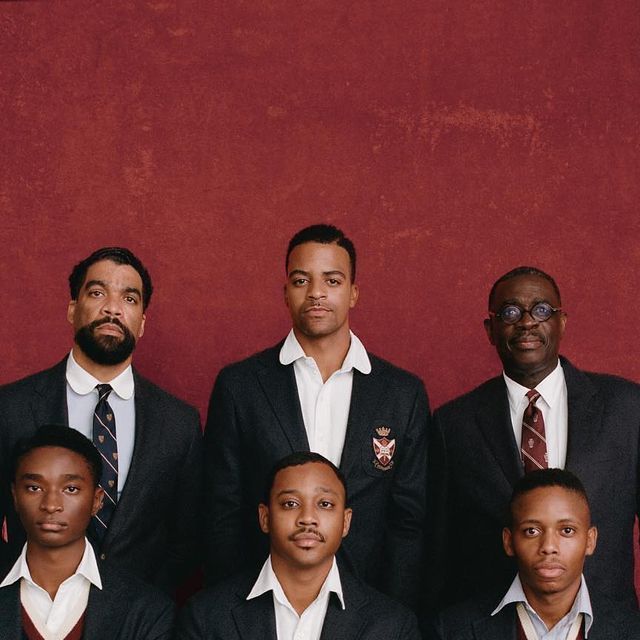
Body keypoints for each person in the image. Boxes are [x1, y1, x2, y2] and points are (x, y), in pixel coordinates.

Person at [204, 224, 430, 605]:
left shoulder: (402, 392)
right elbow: (221, 509)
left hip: (369, 605)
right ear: (286, 293)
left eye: (332, 280)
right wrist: (234, 609)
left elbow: (410, 520)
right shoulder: (240, 385)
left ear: (354, 292)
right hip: (262, 599)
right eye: (301, 280)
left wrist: (394, 614)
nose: (316, 293)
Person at [430, 266, 640, 609]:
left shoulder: (627, 408)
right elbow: (438, 546)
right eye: (510, 312)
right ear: (491, 330)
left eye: (542, 310)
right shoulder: (454, 423)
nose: (527, 322)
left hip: (606, 620)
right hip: (490, 621)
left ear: (562, 322)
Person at [0, 247, 203, 591]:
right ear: (72, 309)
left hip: (139, 617)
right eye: (97, 293)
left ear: (142, 322)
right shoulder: (11, 406)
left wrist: (146, 604)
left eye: (129, 298)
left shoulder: (178, 423)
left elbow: (189, 535)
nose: (112, 308)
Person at [177, 451, 421, 639]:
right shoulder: (206, 617)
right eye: (290, 504)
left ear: (345, 521)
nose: (307, 518)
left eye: (324, 504)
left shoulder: (393, 626)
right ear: (265, 517)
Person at [0, 425, 175, 639]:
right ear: (15, 497)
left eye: (70, 489)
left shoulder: (146, 610)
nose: (51, 504)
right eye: (34, 488)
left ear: (96, 500)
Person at [428, 469, 640, 639]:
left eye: (567, 530)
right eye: (532, 531)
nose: (548, 546)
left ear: (590, 540)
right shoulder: (452, 629)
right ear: (509, 541)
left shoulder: (632, 628)